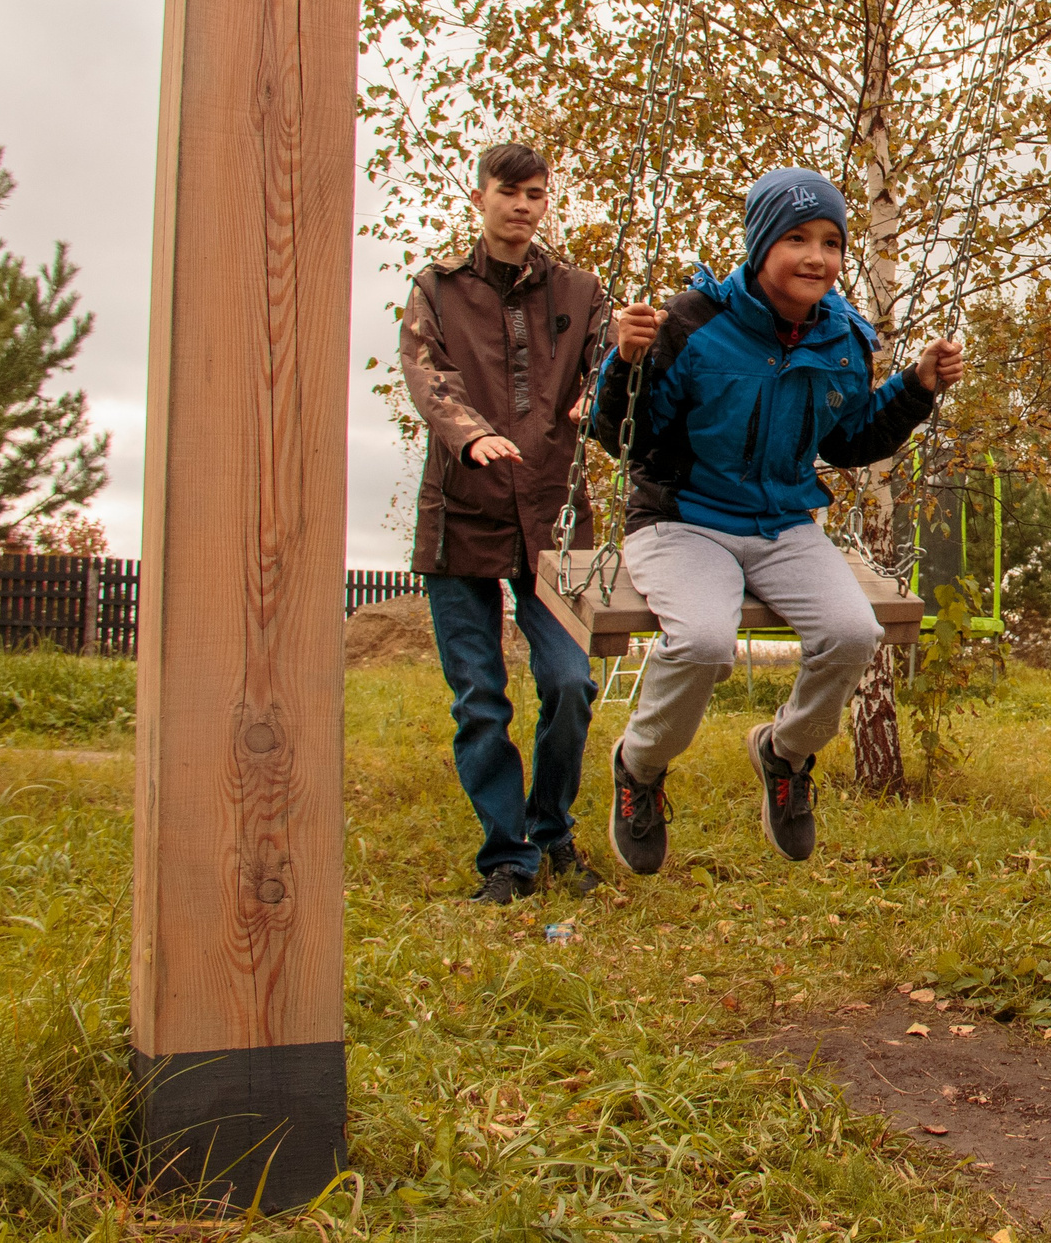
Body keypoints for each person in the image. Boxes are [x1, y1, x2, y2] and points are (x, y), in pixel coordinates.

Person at [593, 168, 964, 874]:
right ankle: (639, 766)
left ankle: (785, 753)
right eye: (797, 238)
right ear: (761, 243)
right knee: (704, 642)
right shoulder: (693, 323)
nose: (817, 257)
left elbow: (849, 441)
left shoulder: (843, 338)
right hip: (682, 518)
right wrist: (627, 362)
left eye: (831, 241)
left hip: (783, 523)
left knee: (855, 632)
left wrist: (916, 387)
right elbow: (626, 438)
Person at [402, 142, 610, 904]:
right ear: (480, 196)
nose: (523, 204)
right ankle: (507, 855)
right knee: (480, 697)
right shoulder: (438, 288)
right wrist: (466, 429)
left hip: (553, 516)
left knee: (570, 682)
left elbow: (604, 363)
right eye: (509, 191)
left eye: (536, 192)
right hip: (460, 513)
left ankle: (552, 830)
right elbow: (427, 373)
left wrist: (603, 393)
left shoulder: (582, 289)